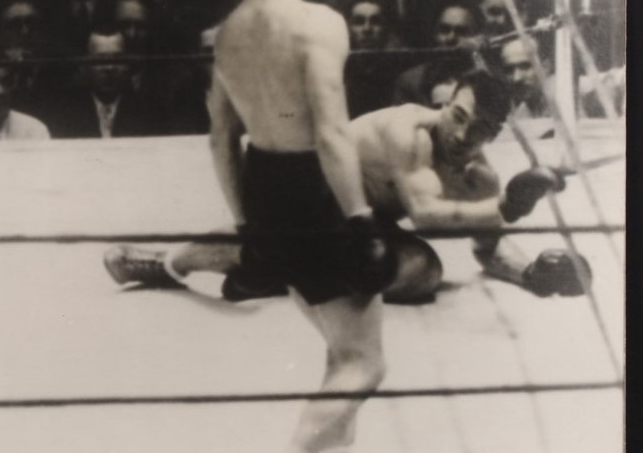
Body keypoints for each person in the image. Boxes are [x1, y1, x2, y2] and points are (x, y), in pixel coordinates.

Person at [192, 0, 403, 453]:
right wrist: (362, 220)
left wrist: (247, 223)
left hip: (265, 185)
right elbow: (334, 133)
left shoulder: (224, 33)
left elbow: (220, 141)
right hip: (318, 190)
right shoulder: (319, 24)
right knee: (365, 360)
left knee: (339, 353)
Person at [105, 70, 585, 305]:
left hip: (356, 226)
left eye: (478, 129)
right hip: (297, 186)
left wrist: (532, 275)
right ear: (445, 104)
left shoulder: (480, 178)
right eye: (457, 116)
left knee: (424, 273)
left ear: (494, 134)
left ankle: (284, 273)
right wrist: (506, 206)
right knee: (299, 235)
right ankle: (167, 263)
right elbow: (424, 211)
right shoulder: (410, 134)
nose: (461, 135)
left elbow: (488, 249)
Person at [48, 24, 163, 139]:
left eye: (117, 59)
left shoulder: (148, 114)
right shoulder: (66, 114)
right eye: (100, 60)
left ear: (127, 64)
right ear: (85, 66)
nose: (109, 67)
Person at [392, 2, 482, 108]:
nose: (451, 38)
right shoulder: (410, 82)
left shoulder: (486, 82)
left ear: (477, 37)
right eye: (444, 30)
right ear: (434, 34)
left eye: (461, 31)